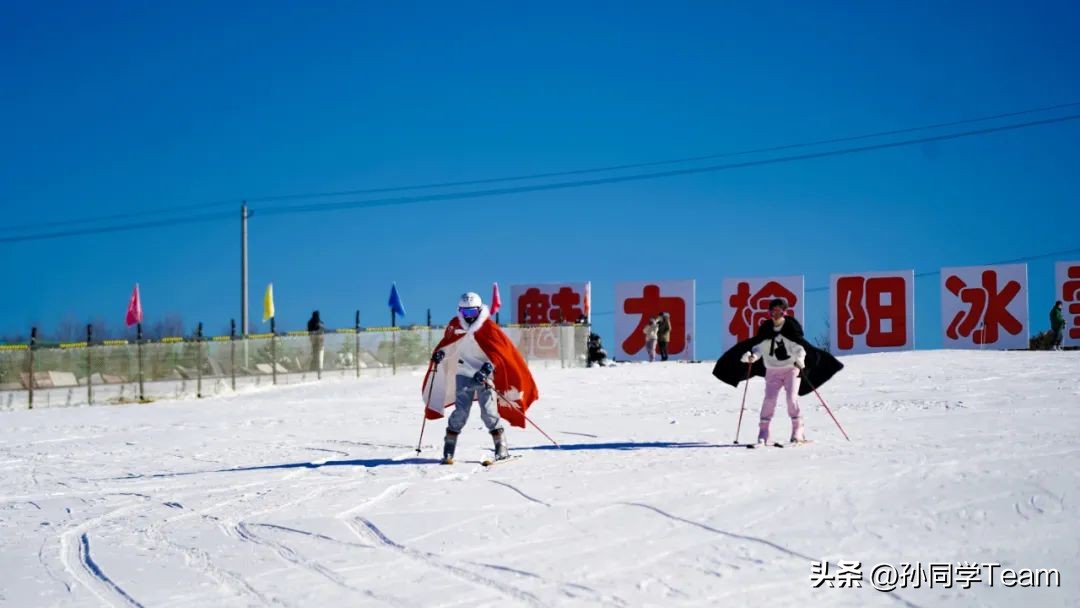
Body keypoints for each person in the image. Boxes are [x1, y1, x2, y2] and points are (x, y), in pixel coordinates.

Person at [422, 292, 539, 464]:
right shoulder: (456, 325)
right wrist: (440, 354)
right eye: (465, 313)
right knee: (461, 412)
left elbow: (500, 354)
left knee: (488, 412)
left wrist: (486, 369)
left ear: (479, 311)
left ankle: (501, 448)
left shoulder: (488, 327)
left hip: (484, 376)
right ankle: (449, 449)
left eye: (472, 313)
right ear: (459, 311)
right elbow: (448, 344)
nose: (468, 317)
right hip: (463, 373)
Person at [712, 298, 844, 447]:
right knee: (769, 400)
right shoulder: (767, 330)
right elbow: (759, 348)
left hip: (791, 370)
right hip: (772, 371)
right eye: (772, 312)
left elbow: (800, 348)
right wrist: (752, 357)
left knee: (791, 399)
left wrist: (800, 360)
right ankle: (764, 433)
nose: (775, 315)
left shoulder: (790, 329)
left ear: (784, 312)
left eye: (778, 311)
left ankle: (797, 432)